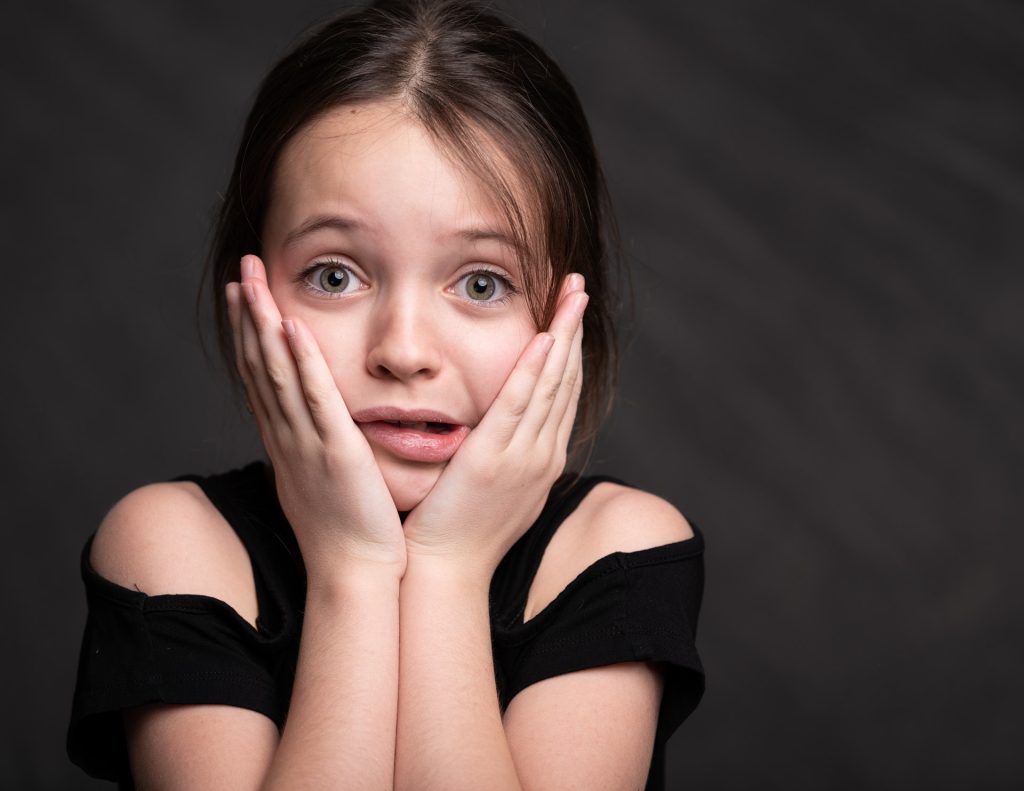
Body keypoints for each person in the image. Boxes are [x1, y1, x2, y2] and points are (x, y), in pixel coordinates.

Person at [67, 1, 705, 788]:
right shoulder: (175, 545)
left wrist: (446, 570)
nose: (403, 351)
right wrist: (353, 570)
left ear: (570, 317)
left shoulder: (615, 549)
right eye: (335, 275)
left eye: (481, 281)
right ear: (251, 297)